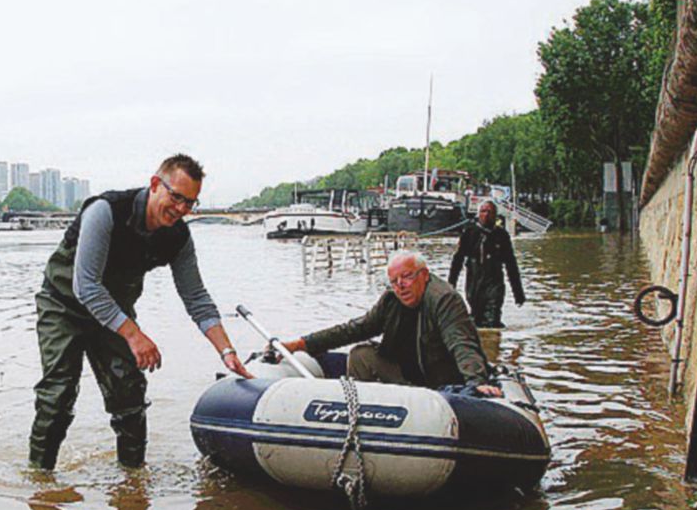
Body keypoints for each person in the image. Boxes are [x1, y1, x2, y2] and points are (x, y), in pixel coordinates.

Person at [29, 154, 251, 470]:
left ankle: (133, 483)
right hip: (64, 306)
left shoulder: (178, 236)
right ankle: (40, 480)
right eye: (176, 197)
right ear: (155, 184)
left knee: (129, 395)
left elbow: (196, 297)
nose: (181, 210)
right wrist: (134, 335)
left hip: (114, 312)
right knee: (59, 395)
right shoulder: (105, 211)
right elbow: (86, 287)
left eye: (190, 203)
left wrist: (226, 351)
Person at [281, 251, 499, 395]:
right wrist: (300, 344)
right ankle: (364, 413)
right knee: (360, 354)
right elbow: (353, 329)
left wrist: (477, 383)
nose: (400, 286)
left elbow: (461, 344)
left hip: (437, 381)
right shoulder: (391, 300)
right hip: (405, 372)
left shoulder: (444, 299)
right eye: (394, 281)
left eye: (406, 277)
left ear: (423, 275)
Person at [448, 200, 525, 328]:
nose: (486, 215)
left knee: (492, 321)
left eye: (490, 212)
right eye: (483, 211)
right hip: (474, 283)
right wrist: (451, 285)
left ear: (495, 215)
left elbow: (511, 265)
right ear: (478, 214)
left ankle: (494, 344)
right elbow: (458, 260)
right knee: (476, 322)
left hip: (494, 283)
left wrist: (518, 293)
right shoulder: (470, 233)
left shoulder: (502, 235)